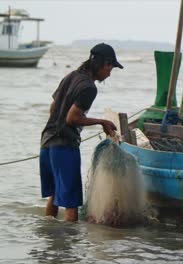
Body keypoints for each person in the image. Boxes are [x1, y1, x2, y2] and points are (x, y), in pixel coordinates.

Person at [39, 43, 123, 222]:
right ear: (104, 64)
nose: (109, 73)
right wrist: (102, 121)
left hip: (47, 143)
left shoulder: (71, 76)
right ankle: (69, 246)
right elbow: (72, 118)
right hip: (64, 147)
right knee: (71, 203)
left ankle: (47, 237)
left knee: (54, 196)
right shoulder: (89, 88)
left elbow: (53, 107)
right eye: (111, 68)